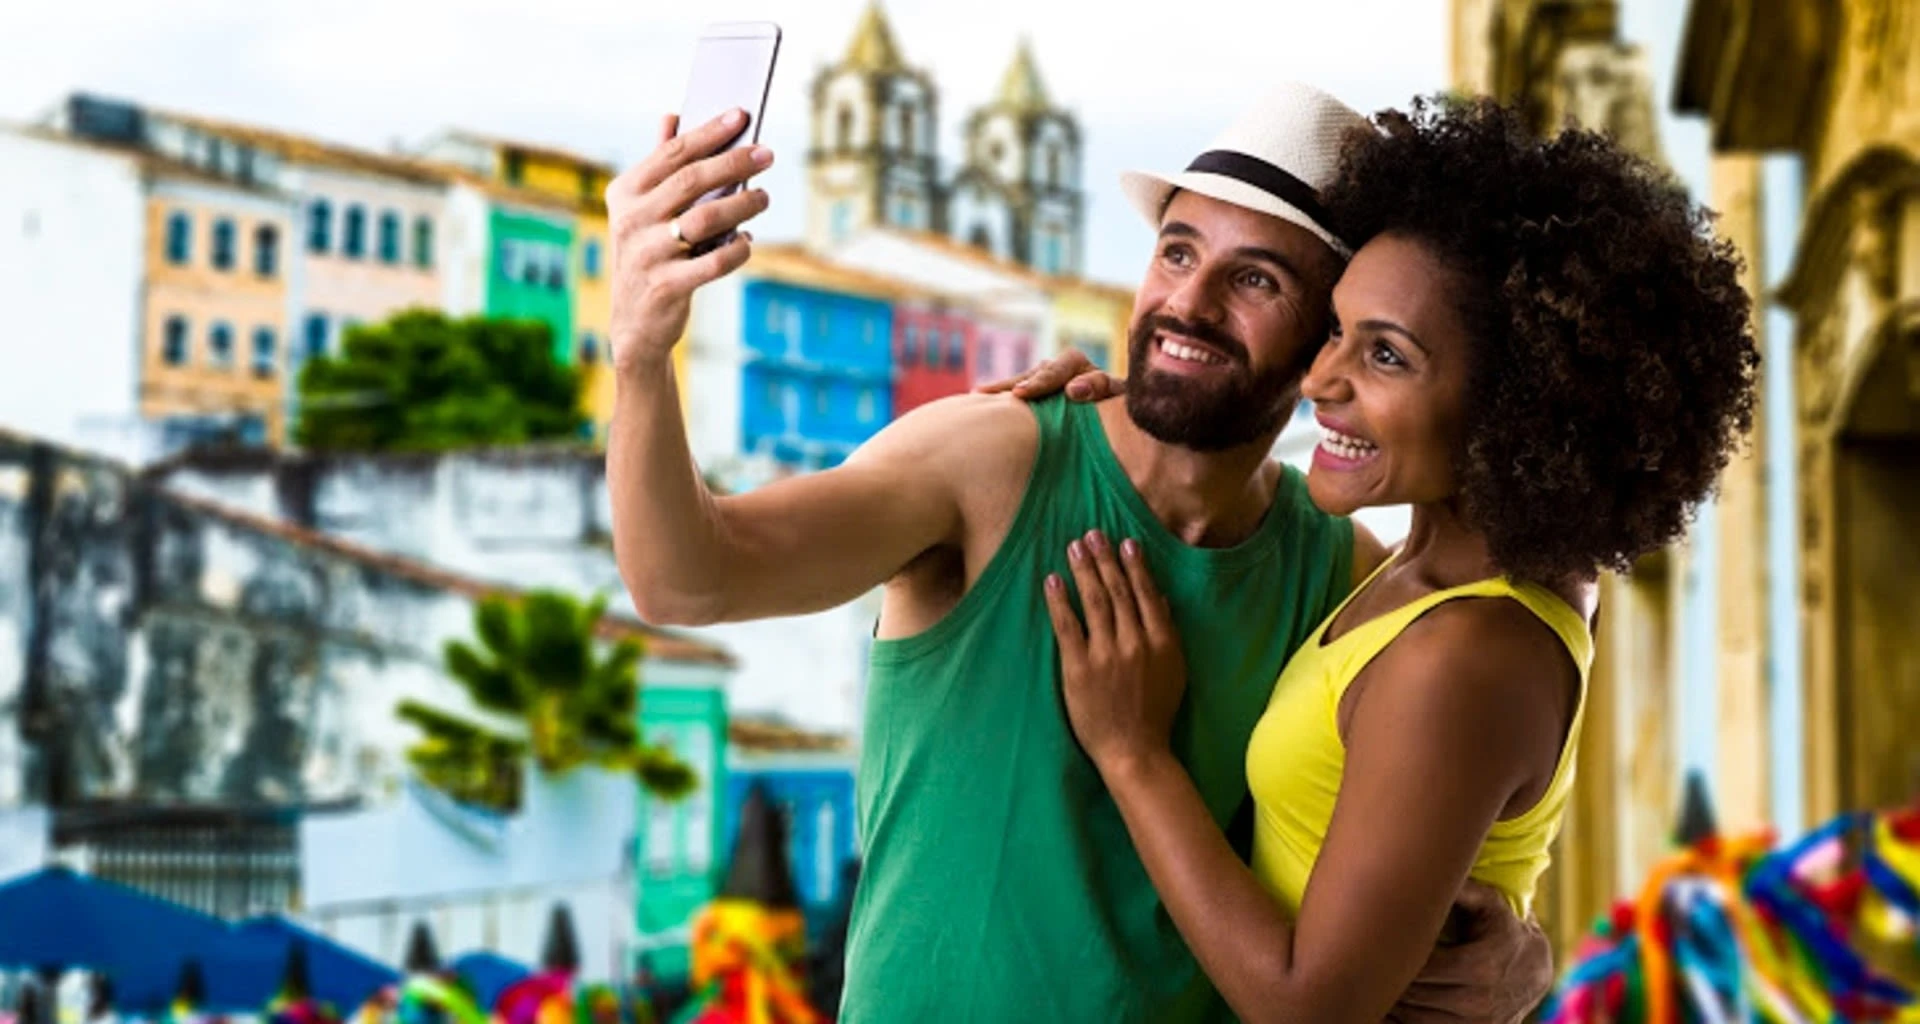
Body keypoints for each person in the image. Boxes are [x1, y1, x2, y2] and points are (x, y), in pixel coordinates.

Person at [603, 82, 1553, 1021]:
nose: (1188, 303)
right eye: (1176, 252)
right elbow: (690, 580)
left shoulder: (1339, 571)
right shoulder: (989, 459)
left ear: (1327, 340)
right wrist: (641, 357)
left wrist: (1520, 954)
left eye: (1256, 279)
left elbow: (1402, 846)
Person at [1008, 96, 1759, 1022]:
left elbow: (1306, 1009)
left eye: (1387, 356)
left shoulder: (1465, 652)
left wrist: (1132, 753)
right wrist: (1158, 401)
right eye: (1335, 330)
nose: (1323, 380)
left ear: (1515, 408)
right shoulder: (1425, 575)